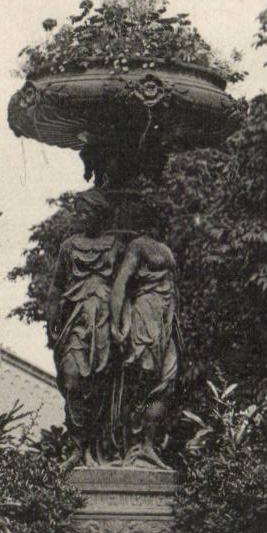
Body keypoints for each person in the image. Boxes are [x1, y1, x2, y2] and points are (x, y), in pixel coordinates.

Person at [45, 189, 127, 465]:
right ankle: (77, 446)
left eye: (85, 212)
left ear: (98, 214)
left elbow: (127, 287)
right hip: (75, 318)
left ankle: (95, 447)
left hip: (104, 319)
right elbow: (57, 286)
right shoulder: (69, 246)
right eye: (78, 212)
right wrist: (50, 321)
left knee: (100, 383)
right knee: (72, 378)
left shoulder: (116, 246)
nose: (81, 217)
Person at [109, 232, 181, 469]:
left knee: (166, 381)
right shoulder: (137, 245)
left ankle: (148, 445)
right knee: (140, 379)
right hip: (145, 315)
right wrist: (116, 323)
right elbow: (120, 284)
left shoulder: (164, 246)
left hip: (165, 319)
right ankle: (132, 446)